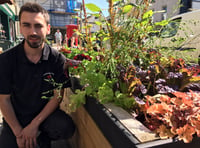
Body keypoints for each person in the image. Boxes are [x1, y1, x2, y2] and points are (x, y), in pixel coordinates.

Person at [0, 2, 75, 148]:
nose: (33, 32)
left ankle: (41, 136)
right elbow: (4, 100)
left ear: (48, 29)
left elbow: (57, 96)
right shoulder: (6, 60)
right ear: (20, 28)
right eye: (27, 25)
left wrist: (34, 126)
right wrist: (18, 132)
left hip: (44, 118)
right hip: (15, 118)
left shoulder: (57, 60)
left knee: (65, 126)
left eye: (38, 26)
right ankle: (31, 138)